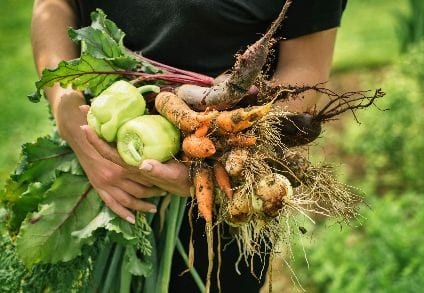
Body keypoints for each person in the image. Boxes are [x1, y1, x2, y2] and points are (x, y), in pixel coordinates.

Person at [31, 0, 347, 291]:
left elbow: (306, 66)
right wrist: (68, 113)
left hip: (225, 187)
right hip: (95, 162)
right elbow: (53, 5)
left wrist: (216, 156)